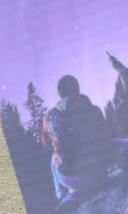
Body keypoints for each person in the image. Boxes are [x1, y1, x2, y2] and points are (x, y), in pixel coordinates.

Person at [41, 75, 112, 207]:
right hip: (99, 172)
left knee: (54, 158)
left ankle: (63, 196)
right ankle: (97, 183)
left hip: (70, 178)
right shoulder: (94, 110)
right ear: (78, 89)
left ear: (59, 93)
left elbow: (45, 143)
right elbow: (105, 137)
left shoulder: (50, 115)